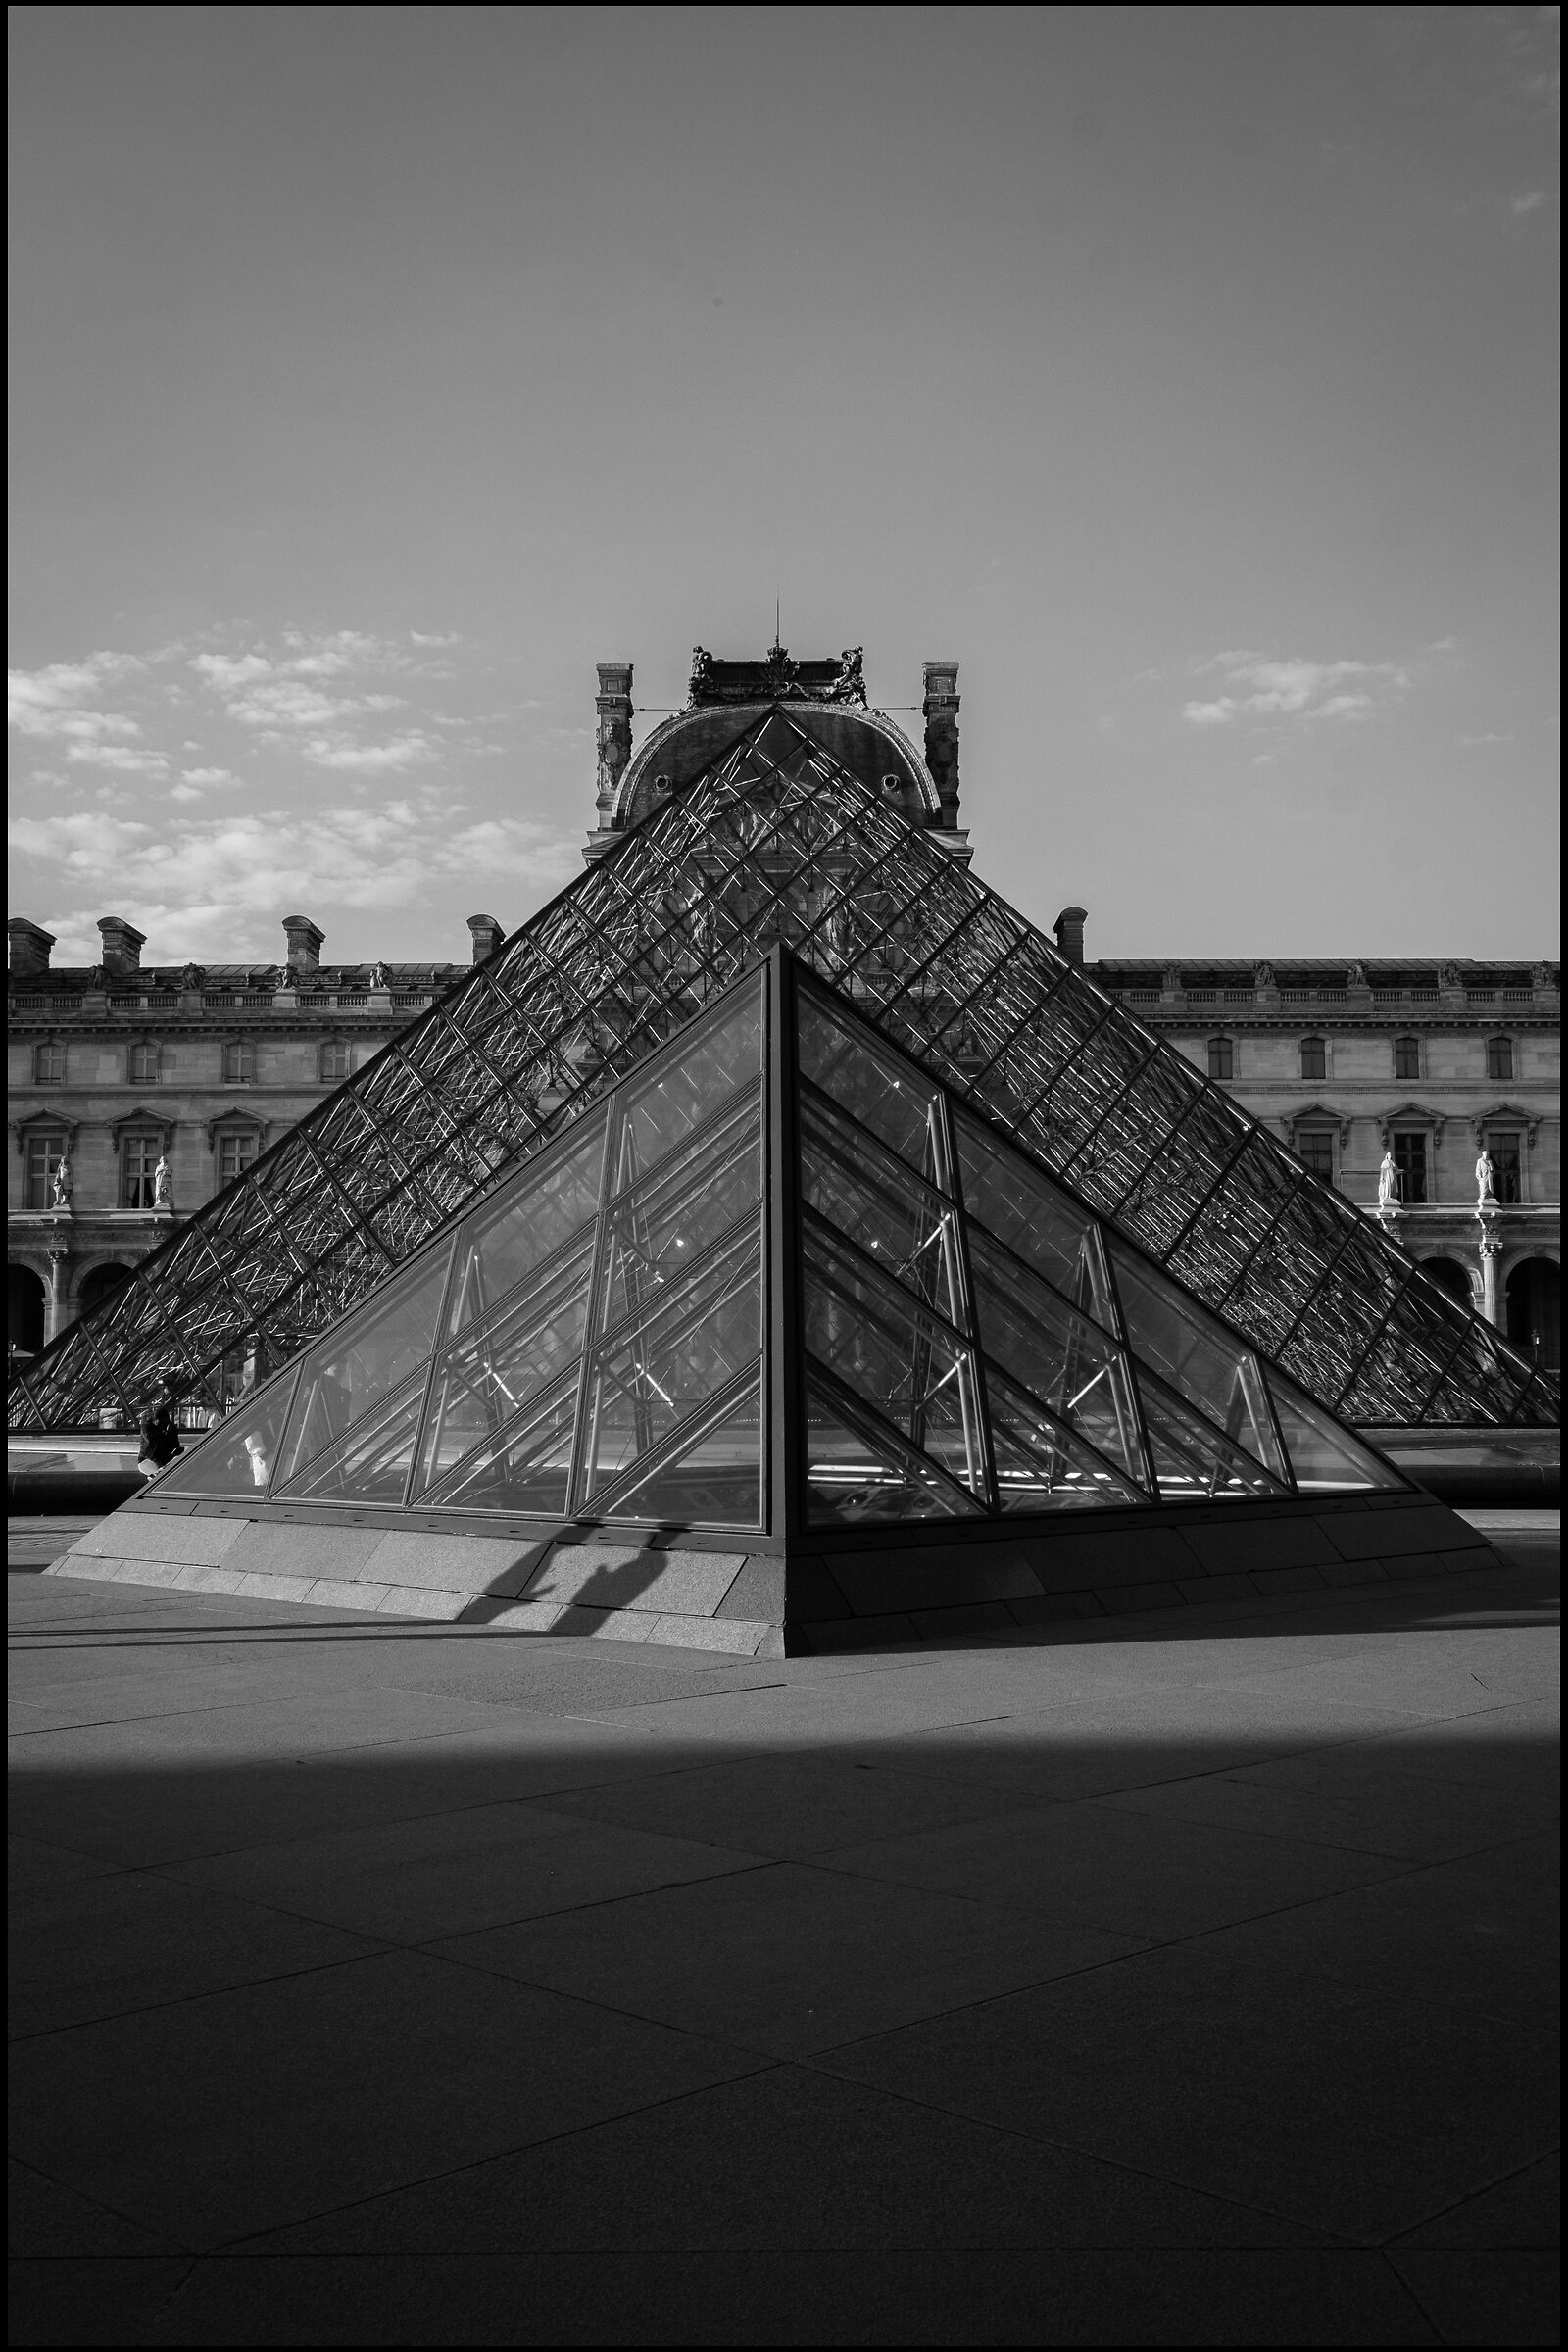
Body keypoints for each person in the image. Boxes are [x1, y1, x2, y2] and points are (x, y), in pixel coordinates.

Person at [137, 1385, 184, 1480]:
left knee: (178, 1461)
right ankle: (156, 1475)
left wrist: (173, 1435)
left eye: (166, 1421)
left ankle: (158, 1473)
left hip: (163, 1461)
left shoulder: (167, 1430)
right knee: (160, 1474)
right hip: (147, 1461)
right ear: (156, 1420)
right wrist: (166, 1432)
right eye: (162, 1421)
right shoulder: (147, 1427)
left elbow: (175, 1446)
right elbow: (152, 1441)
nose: (164, 1424)